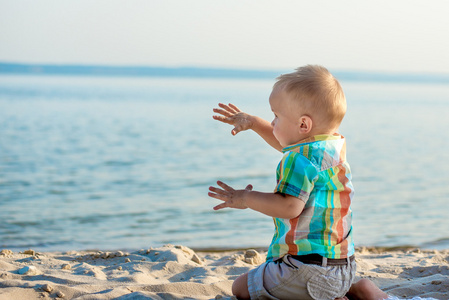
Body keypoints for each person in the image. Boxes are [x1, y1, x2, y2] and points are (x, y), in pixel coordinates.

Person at [208, 65, 387, 299]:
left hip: (306, 269)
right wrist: (253, 122)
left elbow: (289, 206)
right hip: (342, 268)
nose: (272, 123)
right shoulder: (332, 147)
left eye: (276, 116)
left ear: (303, 125)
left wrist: (245, 198)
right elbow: (286, 141)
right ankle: (358, 290)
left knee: (240, 287)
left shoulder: (297, 159)